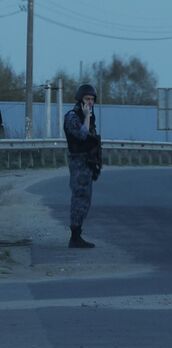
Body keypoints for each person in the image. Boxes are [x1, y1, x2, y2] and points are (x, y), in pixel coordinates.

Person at [64, 84, 102, 248]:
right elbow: (82, 135)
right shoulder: (72, 116)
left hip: (87, 162)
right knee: (79, 198)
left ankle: (77, 234)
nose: (90, 102)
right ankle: (75, 237)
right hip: (78, 162)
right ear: (80, 99)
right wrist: (86, 117)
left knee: (85, 199)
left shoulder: (89, 117)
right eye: (87, 99)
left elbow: (92, 139)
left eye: (92, 99)